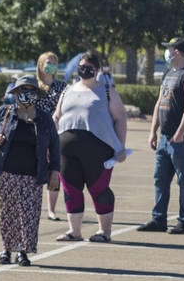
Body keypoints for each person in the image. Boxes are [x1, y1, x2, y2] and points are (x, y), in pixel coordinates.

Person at [52, 50, 127, 243]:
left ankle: (104, 232)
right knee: (71, 190)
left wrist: (120, 147)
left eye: (89, 68)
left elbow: (120, 118)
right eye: (81, 67)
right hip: (66, 151)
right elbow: (56, 117)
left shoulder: (107, 90)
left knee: (99, 190)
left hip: (98, 151)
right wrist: (49, 144)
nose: (84, 71)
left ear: (98, 69)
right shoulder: (67, 90)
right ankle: (74, 232)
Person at [0, 76, 61, 267]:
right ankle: (6, 249)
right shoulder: (5, 111)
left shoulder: (44, 118)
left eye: (30, 91)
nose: (26, 95)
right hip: (7, 171)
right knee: (8, 211)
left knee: (29, 213)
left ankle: (23, 251)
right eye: (22, 91)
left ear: (36, 95)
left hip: (33, 173)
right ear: (16, 93)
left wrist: (55, 172)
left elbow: (54, 146)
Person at [140, 37, 184, 235]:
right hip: (165, 138)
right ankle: (159, 219)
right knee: (160, 179)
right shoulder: (168, 73)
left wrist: (180, 133)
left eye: (169, 49)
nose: (166, 52)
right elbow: (159, 103)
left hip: (181, 139)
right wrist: (153, 132)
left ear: (176, 52)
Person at [35, 51, 67, 221]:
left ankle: (51, 210)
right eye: (48, 62)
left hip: (57, 134)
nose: (51, 65)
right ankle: (33, 206)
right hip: (37, 134)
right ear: (40, 65)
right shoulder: (34, 86)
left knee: (55, 170)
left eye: (54, 62)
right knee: (35, 170)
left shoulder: (62, 86)